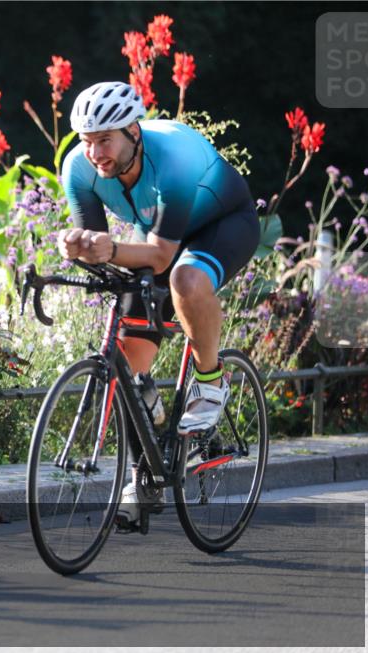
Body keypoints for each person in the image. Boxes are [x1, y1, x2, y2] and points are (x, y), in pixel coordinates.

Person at [57, 81, 260, 525]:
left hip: (223, 224)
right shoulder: (79, 169)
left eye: (105, 140)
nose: (95, 153)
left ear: (134, 130)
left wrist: (107, 249)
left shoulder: (173, 157)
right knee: (127, 368)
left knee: (186, 279)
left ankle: (210, 381)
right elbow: (101, 250)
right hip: (156, 238)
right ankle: (144, 474)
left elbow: (163, 257)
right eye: (87, 141)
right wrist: (77, 247)